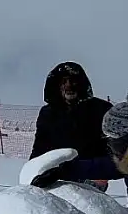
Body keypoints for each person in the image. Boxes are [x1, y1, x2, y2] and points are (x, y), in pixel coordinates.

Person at [29, 61, 113, 191]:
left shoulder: (101, 109)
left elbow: (112, 146)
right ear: (57, 85)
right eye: (64, 82)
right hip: (55, 176)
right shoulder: (48, 113)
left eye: (74, 81)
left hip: (91, 176)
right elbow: (40, 145)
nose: (69, 86)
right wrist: (32, 170)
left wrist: (101, 176)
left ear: (82, 84)